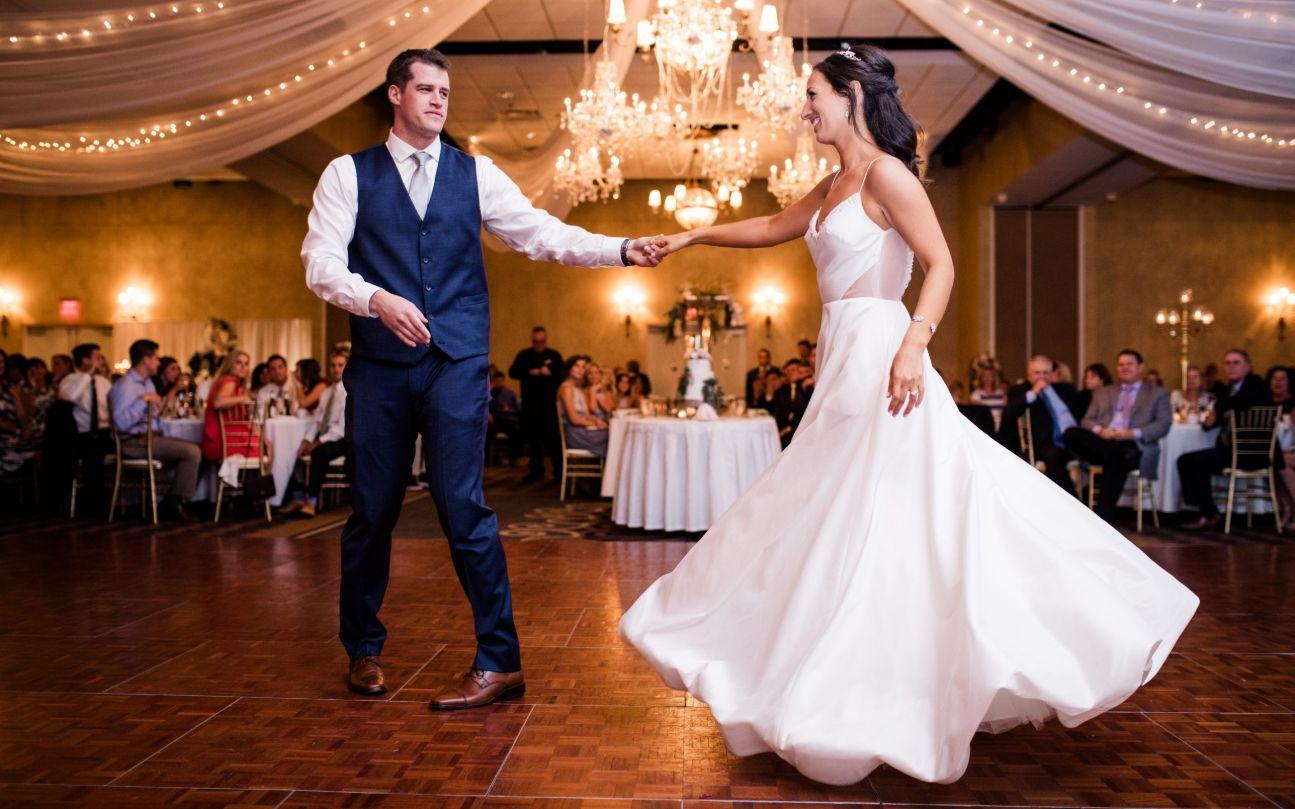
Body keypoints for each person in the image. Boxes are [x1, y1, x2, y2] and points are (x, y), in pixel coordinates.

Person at [618, 43, 1197, 787]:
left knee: (887, 504)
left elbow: (942, 263)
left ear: (851, 96)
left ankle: (896, 676)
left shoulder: (887, 174)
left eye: (813, 94)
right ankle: (842, 666)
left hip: (883, 353)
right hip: (841, 355)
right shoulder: (833, 182)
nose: (804, 108)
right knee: (837, 507)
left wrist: (912, 345)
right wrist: (692, 235)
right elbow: (771, 225)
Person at [301, 47, 665, 704]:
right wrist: (375, 299)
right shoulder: (347, 173)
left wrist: (618, 249)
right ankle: (363, 649)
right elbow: (320, 264)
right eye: (425, 89)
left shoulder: (476, 173)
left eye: (444, 92)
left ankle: (500, 661)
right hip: (379, 368)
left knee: (463, 507)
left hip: (456, 362)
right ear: (395, 95)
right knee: (372, 511)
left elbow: (540, 234)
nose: (438, 101)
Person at [1063, 349, 1172, 522]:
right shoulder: (1104, 392)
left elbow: (1163, 425)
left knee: (1118, 458)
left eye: (1129, 364)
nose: (1124, 368)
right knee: (1071, 433)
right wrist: (1101, 431)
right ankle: (1101, 520)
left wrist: (1131, 433)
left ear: (1141, 367)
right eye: (1121, 364)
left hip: (1133, 444)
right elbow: (1087, 420)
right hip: (1104, 442)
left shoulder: (1157, 393)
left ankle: (1099, 518)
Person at [108, 339, 203, 521]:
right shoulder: (125, 386)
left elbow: (154, 415)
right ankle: (173, 503)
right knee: (192, 452)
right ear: (146, 360)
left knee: (197, 448)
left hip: (151, 437)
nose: (159, 363)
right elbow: (120, 424)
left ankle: (171, 500)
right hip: (134, 442)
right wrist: (142, 401)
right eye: (156, 359)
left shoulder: (147, 384)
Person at [1177, 348, 1271, 530]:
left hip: (1251, 452)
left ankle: (1208, 513)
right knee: (1186, 460)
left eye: (1236, 363)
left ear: (1248, 366)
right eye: (1227, 363)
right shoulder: (1228, 390)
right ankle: (1206, 510)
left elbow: (1239, 406)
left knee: (1195, 462)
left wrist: (1220, 411)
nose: (1231, 367)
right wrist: (1209, 422)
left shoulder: (1255, 384)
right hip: (1230, 450)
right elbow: (1219, 416)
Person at [998, 355, 1086, 494]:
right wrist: (1033, 392)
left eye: (1045, 373)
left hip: (1073, 439)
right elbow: (1010, 412)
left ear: (1052, 374)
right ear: (1028, 374)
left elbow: (1082, 410)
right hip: (1046, 443)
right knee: (1054, 456)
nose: (1042, 377)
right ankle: (1070, 500)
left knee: (1105, 452)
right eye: (1037, 373)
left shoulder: (1065, 389)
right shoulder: (1020, 390)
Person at [280, 350, 350, 518]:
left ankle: (311, 501)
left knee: (319, 452)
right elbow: (317, 421)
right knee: (292, 448)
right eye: (333, 366)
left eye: (340, 365)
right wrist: (305, 441)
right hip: (326, 435)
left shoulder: (351, 392)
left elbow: (342, 427)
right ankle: (298, 496)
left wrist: (317, 442)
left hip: (345, 439)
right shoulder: (327, 392)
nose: (336, 369)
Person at [57, 343, 113, 515]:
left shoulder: (104, 382)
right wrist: (87, 375)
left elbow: (112, 409)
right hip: (79, 435)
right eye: (97, 358)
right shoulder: (69, 381)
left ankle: (111, 502)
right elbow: (71, 397)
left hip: (104, 432)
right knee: (92, 452)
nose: (101, 361)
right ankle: (93, 505)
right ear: (85, 360)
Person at [509, 326, 565, 483]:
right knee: (533, 440)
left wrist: (550, 373)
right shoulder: (524, 355)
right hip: (530, 405)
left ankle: (559, 472)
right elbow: (512, 372)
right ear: (532, 340)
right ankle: (535, 471)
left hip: (549, 405)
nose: (539, 344)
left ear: (546, 340)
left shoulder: (554, 355)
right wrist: (529, 372)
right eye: (536, 341)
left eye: (542, 341)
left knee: (553, 440)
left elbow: (562, 375)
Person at [201, 350, 261, 462]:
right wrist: (243, 398)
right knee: (269, 448)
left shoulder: (228, 382)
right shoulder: (230, 381)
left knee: (266, 443)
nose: (243, 367)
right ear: (230, 365)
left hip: (225, 439)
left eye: (246, 363)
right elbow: (218, 402)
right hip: (226, 442)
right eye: (238, 363)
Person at [558, 355, 609, 457]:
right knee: (615, 435)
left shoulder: (577, 389)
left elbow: (587, 415)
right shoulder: (566, 388)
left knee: (614, 432)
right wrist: (594, 424)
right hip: (575, 434)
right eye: (577, 366)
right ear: (569, 368)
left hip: (583, 430)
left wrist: (597, 421)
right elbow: (574, 420)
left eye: (583, 367)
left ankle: (611, 465)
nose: (580, 370)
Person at [487, 371, 523, 466]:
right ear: (493, 381)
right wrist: (488, 413)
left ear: (504, 381)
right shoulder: (489, 394)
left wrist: (509, 409)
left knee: (516, 432)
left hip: (507, 419)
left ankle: (513, 459)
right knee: (485, 432)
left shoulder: (509, 393)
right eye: (497, 381)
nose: (499, 383)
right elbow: (484, 407)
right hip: (494, 420)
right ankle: (487, 460)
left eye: (500, 381)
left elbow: (518, 409)